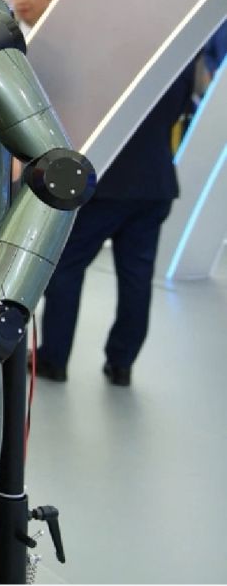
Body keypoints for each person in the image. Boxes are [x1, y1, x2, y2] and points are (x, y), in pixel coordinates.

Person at [35, 65, 195, 386]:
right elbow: (181, 108)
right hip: (155, 182)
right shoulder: (181, 55)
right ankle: (121, 364)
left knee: (67, 265)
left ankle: (54, 358)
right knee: (137, 276)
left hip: (109, 182)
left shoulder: (119, 52)